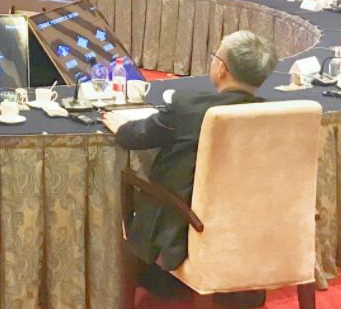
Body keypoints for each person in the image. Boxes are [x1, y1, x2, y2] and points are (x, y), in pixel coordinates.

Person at [103, 31, 277, 301]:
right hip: (252, 220)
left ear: (221, 68)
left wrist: (120, 126)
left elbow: (135, 137)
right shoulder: (271, 113)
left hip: (189, 224)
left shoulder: (188, 107)